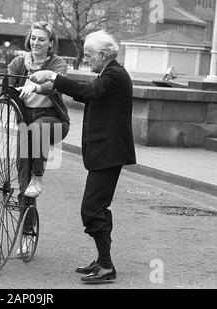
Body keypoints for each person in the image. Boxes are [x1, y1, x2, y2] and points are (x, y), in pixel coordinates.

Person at [30, 30, 136, 283]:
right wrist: (51, 86)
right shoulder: (109, 73)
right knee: (97, 207)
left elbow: (89, 92)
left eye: (89, 55)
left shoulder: (115, 74)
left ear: (104, 54)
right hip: (106, 152)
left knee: (92, 209)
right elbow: (86, 91)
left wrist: (53, 77)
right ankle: (102, 261)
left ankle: (107, 266)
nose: (86, 59)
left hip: (109, 153)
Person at [6, 21, 70, 199]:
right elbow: (6, 84)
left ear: (50, 43)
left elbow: (55, 85)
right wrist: (3, 92)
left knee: (37, 128)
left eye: (41, 39)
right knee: (23, 165)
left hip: (53, 121)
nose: (36, 42)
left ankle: (38, 177)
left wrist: (36, 88)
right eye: (33, 38)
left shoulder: (57, 63)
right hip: (25, 119)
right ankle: (26, 216)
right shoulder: (19, 62)